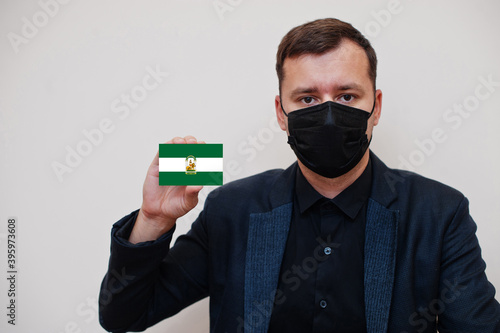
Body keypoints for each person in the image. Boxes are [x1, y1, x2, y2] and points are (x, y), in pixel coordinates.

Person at [99, 18, 500, 333]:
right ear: (281, 113)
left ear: (375, 107)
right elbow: (123, 316)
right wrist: (153, 220)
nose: (327, 115)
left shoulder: (438, 213)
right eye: (307, 98)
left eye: (346, 96)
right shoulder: (231, 210)